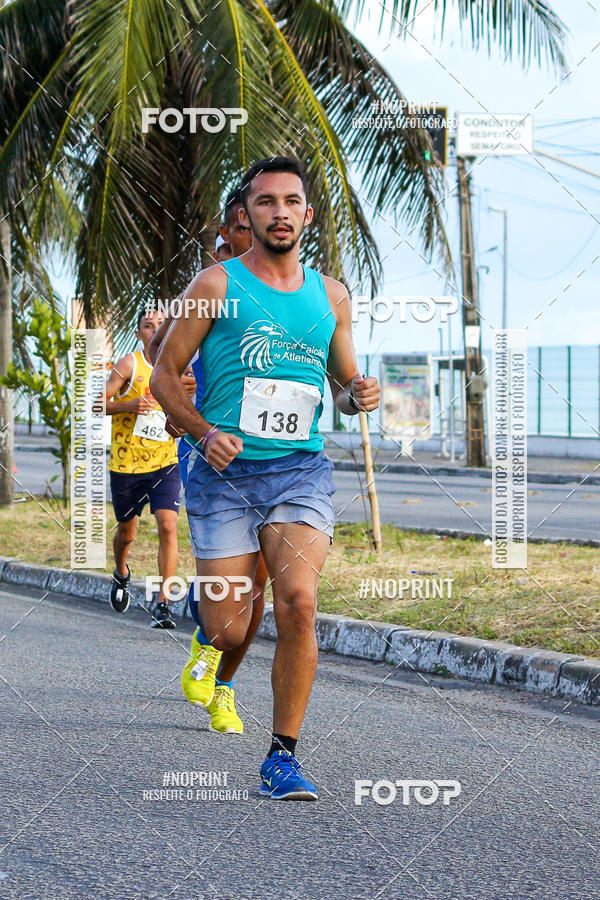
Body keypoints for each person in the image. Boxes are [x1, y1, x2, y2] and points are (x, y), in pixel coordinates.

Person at [151, 157, 380, 800]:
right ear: (245, 216)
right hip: (223, 474)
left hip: (299, 470)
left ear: (307, 214)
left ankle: (282, 757)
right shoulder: (215, 284)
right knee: (228, 626)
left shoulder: (332, 295)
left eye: (291, 201)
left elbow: (341, 386)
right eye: (266, 202)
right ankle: (208, 631)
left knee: (299, 603)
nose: (280, 212)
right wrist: (203, 433)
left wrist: (356, 394)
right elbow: (164, 376)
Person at [149, 189, 269, 733]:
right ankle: (207, 638)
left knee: (258, 584)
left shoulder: (284, 289)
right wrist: (179, 403)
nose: (253, 234)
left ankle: (223, 685)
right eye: (242, 226)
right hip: (207, 448)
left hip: (275, 453)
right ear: (228, 232)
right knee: (228, 575)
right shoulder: (207, 288)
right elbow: (159, 355)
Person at [103, 309, 190, 629]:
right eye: (148, 326)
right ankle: (121, 572)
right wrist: (129, 405)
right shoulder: (130, 364)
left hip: (165, 462)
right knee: (126, 534)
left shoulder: (178, 366)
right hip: (126, 464)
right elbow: (97, 403)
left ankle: (163, 603)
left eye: (161, 325)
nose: (155, 330)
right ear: (139, 333)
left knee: (168, 525)